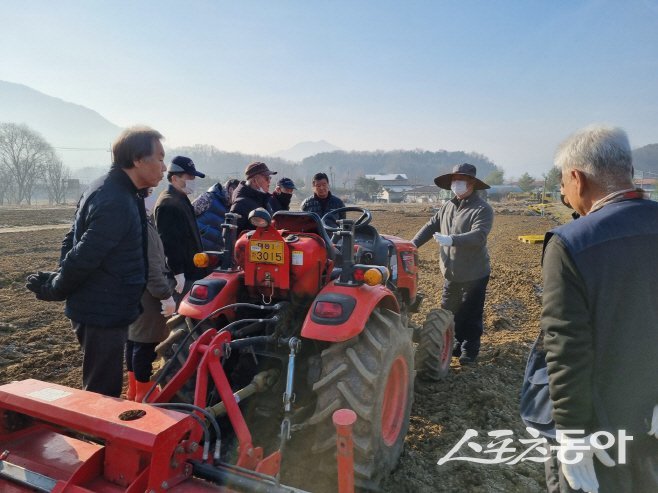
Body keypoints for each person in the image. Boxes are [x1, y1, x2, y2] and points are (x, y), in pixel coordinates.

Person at [541, 125, 658, 493]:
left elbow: (566, 346)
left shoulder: (571, 243)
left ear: (577, 178)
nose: (563, 193)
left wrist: (571, 433)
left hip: (601, 429)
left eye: (563, 182)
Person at [25, 126, 166, 397]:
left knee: (102, 387)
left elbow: (72, 238)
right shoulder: (117, 200)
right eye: (159, 158)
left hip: (104, 305)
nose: (164, 167)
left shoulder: (111, 189)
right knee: (102, 393)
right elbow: (83, 254)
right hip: (102, 311)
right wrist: (55, 287)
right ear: (138, 159)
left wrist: (59, 278)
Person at [411, 163, 493, 365]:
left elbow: (479, 235)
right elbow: (431, 226)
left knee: (470, 312)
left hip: (474, 273)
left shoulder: (482, 209)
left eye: (461, 180)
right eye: (454, 180)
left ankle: (469, 349)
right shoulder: (448, 206)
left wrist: (452, 239)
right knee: (448, 311)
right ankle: (453, 342)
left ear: (472, 183)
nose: (456, 184)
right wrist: (411, 245)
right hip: (451, 271)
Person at [125, 188, 176, 402]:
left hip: (135, 291)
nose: (154, 196)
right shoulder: (142, 228)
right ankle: (144, 392)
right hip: (148, 295)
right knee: (145, 344)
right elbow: (152, 268)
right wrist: (166, 295)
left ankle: (134, 389)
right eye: (151, 192)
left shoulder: (137, 222)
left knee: (133, 340)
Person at [154, 155, 207, 297]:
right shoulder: (168, 204)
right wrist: (178, 273)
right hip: (182, 277)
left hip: (193, 271)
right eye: (189, 177)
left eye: (193, 177)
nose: (193, 181)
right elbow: (169, 243)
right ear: (175, 178)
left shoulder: (181, 199)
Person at [230, 161, 277, 234]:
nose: (269, 182)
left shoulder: (262, 200)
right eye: (266, 178)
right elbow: (232, 236)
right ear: (254, 181)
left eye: (270, 178)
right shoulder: (240, 205)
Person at [193, 181, 230, 251]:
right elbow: (188, 214)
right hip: (196, 249)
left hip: (216, 253)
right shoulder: (208, 198)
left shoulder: (233, 206)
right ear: (231, 189)